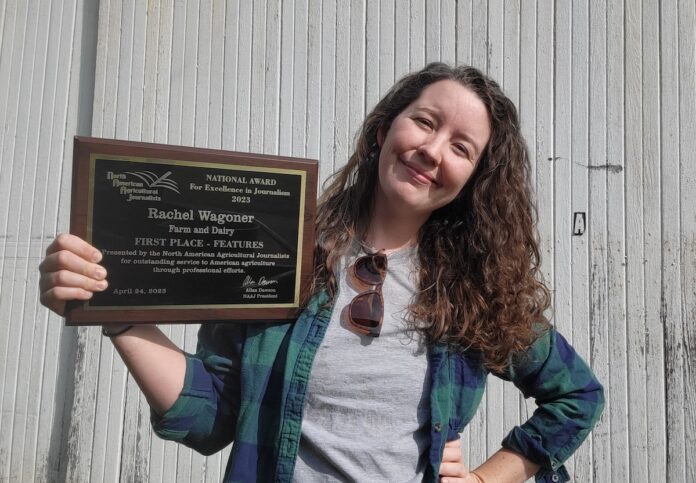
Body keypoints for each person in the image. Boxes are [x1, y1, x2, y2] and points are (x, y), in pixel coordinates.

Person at [39, 63, 604, 483]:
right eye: (424, 123)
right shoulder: (276, 254)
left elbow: (577, 395)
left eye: (461, 147)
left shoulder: (476, 291)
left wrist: (487, 477)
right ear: (384, 129)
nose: (432, 151)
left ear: (474, 178)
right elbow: (212, 418)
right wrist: (114, 311)